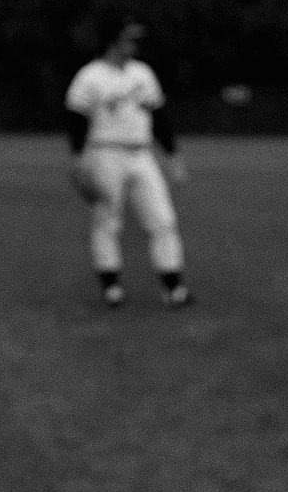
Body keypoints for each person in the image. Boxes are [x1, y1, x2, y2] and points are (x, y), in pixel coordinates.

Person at [64, 21, 192, 308]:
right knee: (107, 220)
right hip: (104, 153)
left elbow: (159, 118)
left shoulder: (142, 73)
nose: (135, 45)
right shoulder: (90, 76)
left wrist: (172, 157)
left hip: (142, 154)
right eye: (129, 39)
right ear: (113, 41)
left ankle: (174, 288)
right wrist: (77, 160)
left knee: (163, 219)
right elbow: (76, 120)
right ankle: (111, 288)